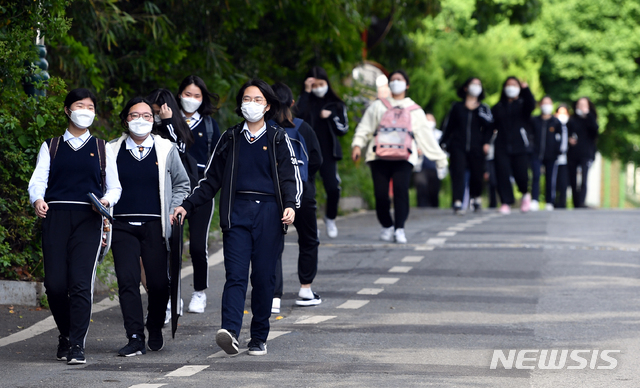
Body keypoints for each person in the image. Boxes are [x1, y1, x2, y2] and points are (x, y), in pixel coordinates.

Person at [172, 79, 302, 356]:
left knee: (264, 278)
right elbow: (210, 180)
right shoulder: (230, 138)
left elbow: (290, 176)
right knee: (235, 276)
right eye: (246, 99)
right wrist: (187, 205)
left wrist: (290, 205)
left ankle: (258, 337)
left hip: (270, 213)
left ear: (267, 106)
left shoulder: (278, 138)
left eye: (257, 100)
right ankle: (230, 332)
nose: (251, 104)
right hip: (237, 212)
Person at [28, 88, 122, 364]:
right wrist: (38, 199)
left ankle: (77, 345)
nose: (85, 111)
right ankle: (66, 334)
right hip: (55, 217)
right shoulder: (52, 146)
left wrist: (105, 200)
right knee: (55, 286)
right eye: (80, 105)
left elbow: (114, 187)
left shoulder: (102, 148)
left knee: (81, 284)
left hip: (88, 219)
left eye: (90, 107)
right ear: (67, 110)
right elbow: (38, 180)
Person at [109, 97, 190, 357]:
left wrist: (172, 210)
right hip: (122, 225)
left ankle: (154, 325)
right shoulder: (111, 150)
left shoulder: (165, 148)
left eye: (146, 115)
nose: (141, 120)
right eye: (134, 115)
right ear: (125, 119)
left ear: (153, 120)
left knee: (158, 283)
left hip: (156, 224)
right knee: (127, 281)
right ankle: (134, 337)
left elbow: (182, 183)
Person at [351, 70, 448, 243]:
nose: (396, 82)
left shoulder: (415, 110)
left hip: (404, 158)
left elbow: (426, 137)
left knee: (400, 192)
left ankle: (400, 228)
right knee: (381, 195)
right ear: (389, 85)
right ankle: (387, 225)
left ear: (407, 85)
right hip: (378, 156)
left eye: (400, 79)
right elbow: (365, 127)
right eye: (393, 80)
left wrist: (439, 159)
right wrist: (357, 145)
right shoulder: (378, 106)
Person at [270, 82, 324, 313]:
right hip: (303, 193)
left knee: (272, 245)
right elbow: (317, 160)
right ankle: (305, 289)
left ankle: (273, 297)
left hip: (274, 194)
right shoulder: (304, 128)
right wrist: (304, 181)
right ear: (293, 103)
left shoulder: (265, 129)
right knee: (308, 239)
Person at [173, 76, 221, 314]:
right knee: (172, 244)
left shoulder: (210, 126)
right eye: (187, 94)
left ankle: (199, 292)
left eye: (197, 96)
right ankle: (174, 296)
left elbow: (218, 162)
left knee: (197, 246)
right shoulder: (168, 122)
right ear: (179, 94)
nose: (191, 100)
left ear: (203, 99)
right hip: (173, 192)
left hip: (201, 192)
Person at [296, 66, 348, 238]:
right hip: (306, 152)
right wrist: (306, 91)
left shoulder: (336, 104)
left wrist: (332, 116)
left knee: (333, 188)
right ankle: (311, 223)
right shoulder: (304, 101)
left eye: (321, 83)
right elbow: (295, 118)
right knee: (308, 190)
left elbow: (343, 129)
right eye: (314, 84)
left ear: (327, 83)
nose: (318, 87)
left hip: (328, 152)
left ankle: (330, 218)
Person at [440, 77, 494, 214]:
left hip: (477, 147)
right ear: (466, 87)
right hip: (458, 145)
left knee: (477, 174)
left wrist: (486, 142)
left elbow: (490, 127)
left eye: (478, 84)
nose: (476, 87)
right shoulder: (457, 107)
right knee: (458, 172)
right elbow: (448, 126)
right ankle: (457, 201)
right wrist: (444, 142)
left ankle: (476, 198)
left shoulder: (483, 108)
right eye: (473, 84)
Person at [488, 76, 536, 214]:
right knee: (502, 173)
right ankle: (505, 201)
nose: (511, 87)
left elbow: (531, 104)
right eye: (508, 85)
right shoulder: (498, 107)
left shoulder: (523, 105)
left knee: (521, 173)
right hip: (501, 145)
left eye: (514, 85)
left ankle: (525, 194)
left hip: (519, 145)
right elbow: (491, 126)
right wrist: (486, 142)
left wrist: (526, 89)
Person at [530, 96, 563, 211]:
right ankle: (534, 199)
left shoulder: (556, 122)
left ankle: (549, 201)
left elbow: (560, 138)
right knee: (536, 176)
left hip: (551, 155)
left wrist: (558, 150)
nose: (546, 105)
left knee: (550, 178)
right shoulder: (534, 120)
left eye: (549, 103)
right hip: (536, 153)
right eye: (544, 103)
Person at [567, 97, 599, 208]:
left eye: (584, 105)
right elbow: (567, 133)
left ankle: (581, 202)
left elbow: (595, 131)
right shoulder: (572, 120)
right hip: (572, 154)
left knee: (584, 178)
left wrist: (588, 115)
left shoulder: (591, 119)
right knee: (573, 179)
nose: (581, 107)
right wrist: (569, 139)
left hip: (586, 153)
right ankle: (575, 202)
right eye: (579, 104)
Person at [414, 113, 443, 208]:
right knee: (421, 190)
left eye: (431, 119)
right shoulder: (417, 134)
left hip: (434, 167)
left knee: (433, 191)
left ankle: (434, 210)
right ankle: (422, 209)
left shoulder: (439, 135)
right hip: (421, 166)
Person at [554, 104, 570, 208]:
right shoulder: (552, 125)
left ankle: (562, 203)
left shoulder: (570, 126)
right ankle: (552, 202)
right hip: (554, 158)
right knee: (554, 182)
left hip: (566, 158)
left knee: (564, 182)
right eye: (560, 113)